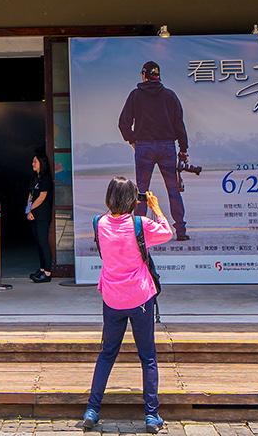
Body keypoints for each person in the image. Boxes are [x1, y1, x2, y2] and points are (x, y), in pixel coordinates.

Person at [80, 176, 172, 433]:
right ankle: (151, 415)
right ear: (133, 200)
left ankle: (92, 410)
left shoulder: (98, 223)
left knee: (107, 354)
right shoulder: (140, 224)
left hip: (112, 298)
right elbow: (167, 232)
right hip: (140, 297)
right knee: (148, 357)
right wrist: (155, 207)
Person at [117, 60, 190, 241]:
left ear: (144, 75)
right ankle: (181, 231)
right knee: (173, 190)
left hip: (144, 147)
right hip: (167, 147)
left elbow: (123, 123)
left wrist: (133, 140)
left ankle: (139, 233)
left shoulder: (135, 96)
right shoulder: (170, 96)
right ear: (158, 76)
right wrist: (183, 149)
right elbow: (179, 124)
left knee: (142, 191)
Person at [26, 147, 55, 283]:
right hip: (33, 215)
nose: (32, 164)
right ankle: (42, 269)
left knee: (43, 242)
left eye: (35, 161)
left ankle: (47, 272)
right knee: (38, 242)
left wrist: (31, 208)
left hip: (42, 215)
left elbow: (42, 197)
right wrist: (28, 211)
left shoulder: (45, 179)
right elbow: (31, 195)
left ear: (41, 163)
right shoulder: (34, 178)